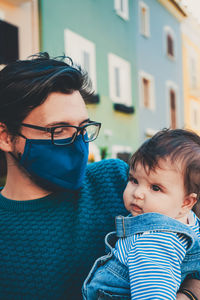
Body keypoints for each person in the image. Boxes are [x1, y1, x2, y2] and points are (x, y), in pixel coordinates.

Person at [0, 53, 198, 300]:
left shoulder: (120, 183)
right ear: (6, 137)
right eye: (59, 130)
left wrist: (188, 295)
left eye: (83, 128)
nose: (78, 142)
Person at [82, 129, 200, 300]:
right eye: (134, 180)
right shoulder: (190, 222)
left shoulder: (151, 241)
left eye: (155, 188)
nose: (138, 193)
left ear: (186, 202)